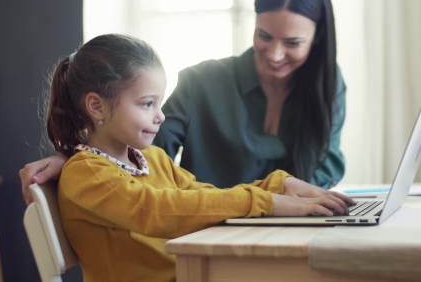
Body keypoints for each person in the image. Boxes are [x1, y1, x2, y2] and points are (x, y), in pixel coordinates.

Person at [20, 0, 346, 204]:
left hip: (284, 226)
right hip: (206, 237)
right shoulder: (202, 82)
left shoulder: (329, 87)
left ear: (317, 40)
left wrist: (295, 199)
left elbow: (322, 169)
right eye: (264, 36)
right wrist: (78, 157)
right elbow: (142, 148)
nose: (275, 54)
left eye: (292, 42)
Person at [44, 33, 354, 281]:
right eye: (147, 104)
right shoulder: (87, 174)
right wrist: (267, 203)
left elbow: (204, 196)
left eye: (159, 103)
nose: (161, 116)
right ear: (96, 106)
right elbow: (159, 211)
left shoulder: (153, 159)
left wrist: (278, 186)